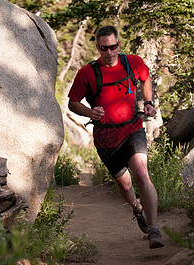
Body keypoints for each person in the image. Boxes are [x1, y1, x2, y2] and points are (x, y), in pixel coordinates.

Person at [68, 25, 164, 249]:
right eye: (104, 48)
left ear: (119, 44)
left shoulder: (133, 63)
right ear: (97, 47)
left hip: (133, 129)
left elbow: (146, 77)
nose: (109, 52)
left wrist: (148, 103)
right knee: (124, 184)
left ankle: (154, 229)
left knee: (141, 174)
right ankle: (137, 209)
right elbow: (73, 102)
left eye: (113, 46)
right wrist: (90, 112)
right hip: (106, 139)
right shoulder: (88, 73)